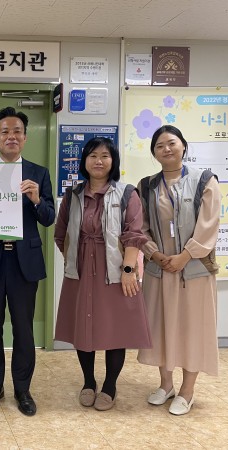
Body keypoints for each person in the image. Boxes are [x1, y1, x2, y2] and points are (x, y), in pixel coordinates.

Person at [54, 137, 151, 411]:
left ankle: (110, 385)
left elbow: (134, 234)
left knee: (114, 328)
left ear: (113, 161)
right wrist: (73, 258)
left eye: (105, 156)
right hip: (81, 270)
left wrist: (129, 270)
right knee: (82, 327)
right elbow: (61, 233)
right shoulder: (73, 195)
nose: (99, 161)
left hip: (116, 269)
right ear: (84, 160)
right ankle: (88, 382)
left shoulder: (127, 193)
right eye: (93, 155)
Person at [0, 107, 55, 416]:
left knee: (24, 329)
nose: (11, 136)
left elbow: (49, 218)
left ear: (25, 137)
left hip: (24, 263)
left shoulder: (39, 173)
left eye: (17, 131)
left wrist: (37, 200)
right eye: (4, 132)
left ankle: (22, 389)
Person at [137, 125, 220, 415]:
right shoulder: (146, 186)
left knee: (191, 329)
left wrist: (185, 256)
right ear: (154, 153)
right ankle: (165, 384)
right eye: (160, 146)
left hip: (193, 271)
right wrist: (155, 254)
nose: (167, 149)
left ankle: (187, 391)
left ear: (183, 145)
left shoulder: (204, 181)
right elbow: (140, 227)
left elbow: (209, 225)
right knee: (160, 327)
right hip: (160, 270)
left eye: (171, 143)